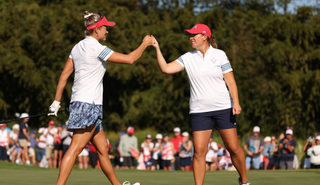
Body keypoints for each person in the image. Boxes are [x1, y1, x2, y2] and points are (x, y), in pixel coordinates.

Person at [48, 11, 151, 184]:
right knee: (75, 149)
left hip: (85, 104)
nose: (107, 31)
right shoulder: (97, 48)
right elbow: (129, 59)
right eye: (105, 28)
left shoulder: (77, 47)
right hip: (88, 104)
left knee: (103, 148)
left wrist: (57, 102)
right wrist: (144, 44)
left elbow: (64, 76)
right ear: (96, 30)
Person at [151, 24, 249, 184]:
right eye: (190, 35)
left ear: (205, 36)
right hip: (199, 111)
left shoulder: (220, 55)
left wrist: (236, 102)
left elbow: (231, 81)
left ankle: (244, 181)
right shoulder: (188, 57)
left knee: (234, 148)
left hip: (223, 107)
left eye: (194, 34)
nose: (191, 37)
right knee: (199, 152)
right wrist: (157, 48)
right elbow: (166, 69)